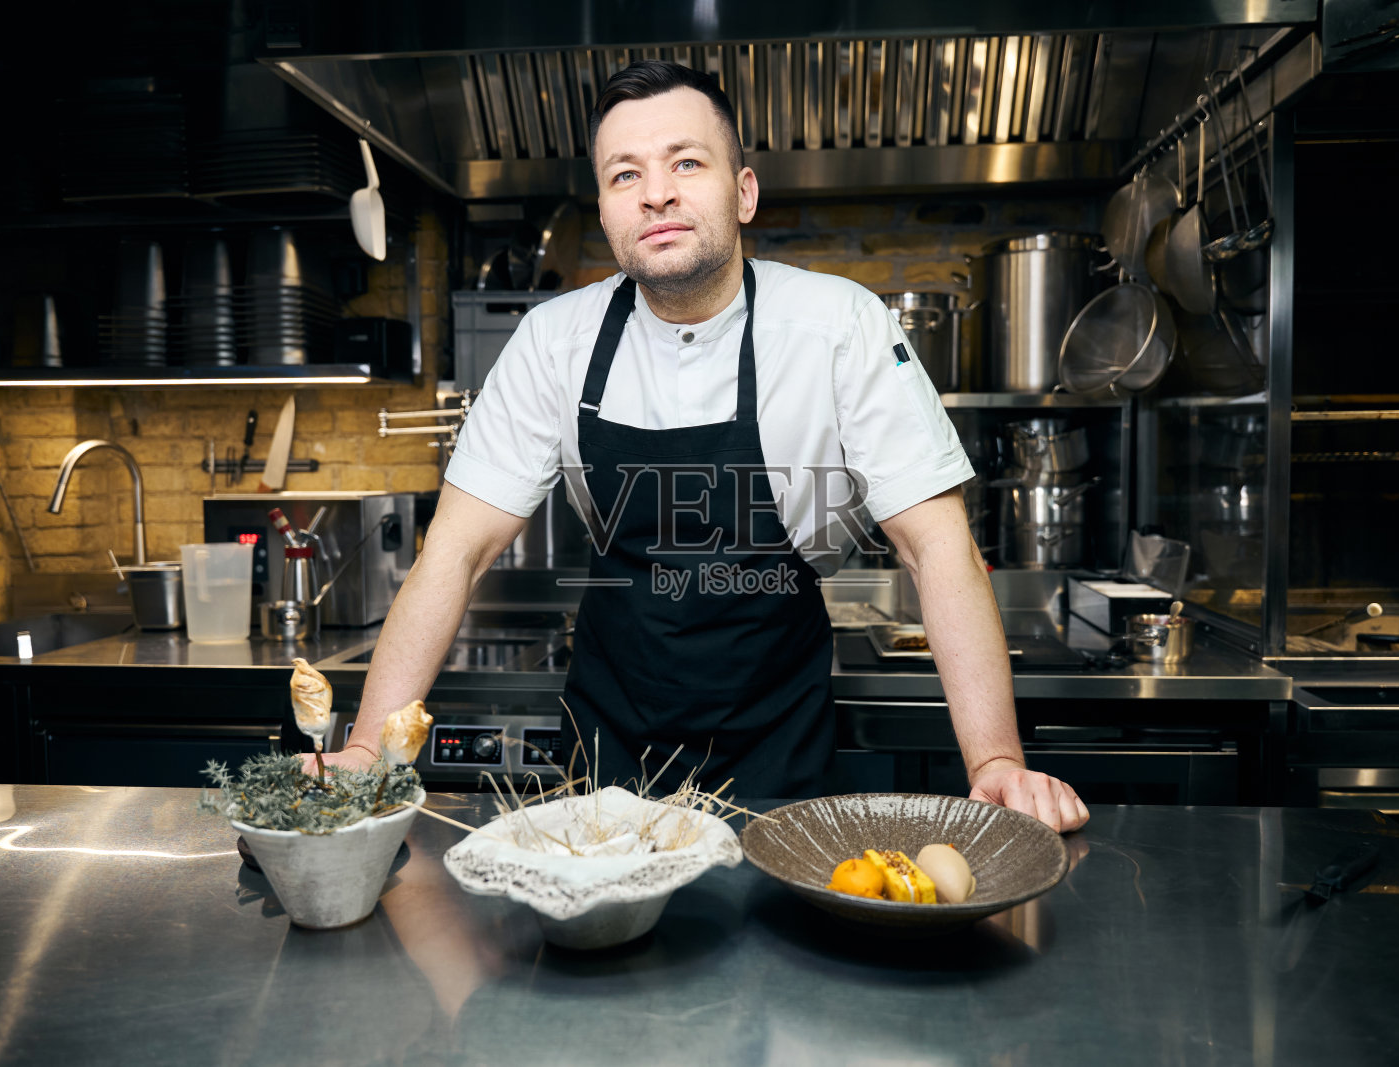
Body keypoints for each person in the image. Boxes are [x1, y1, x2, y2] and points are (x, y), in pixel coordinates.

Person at [321, 60, 1088, 833]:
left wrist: (995, 761)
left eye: (686, 162)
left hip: (778, 764)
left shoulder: (838, 327)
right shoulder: (553, 341)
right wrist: (365, 749)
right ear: (607, 207)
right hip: (606, 767)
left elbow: (938, 549)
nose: (656, 191)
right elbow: (454, 552)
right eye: (626, 174)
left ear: (743, 191)